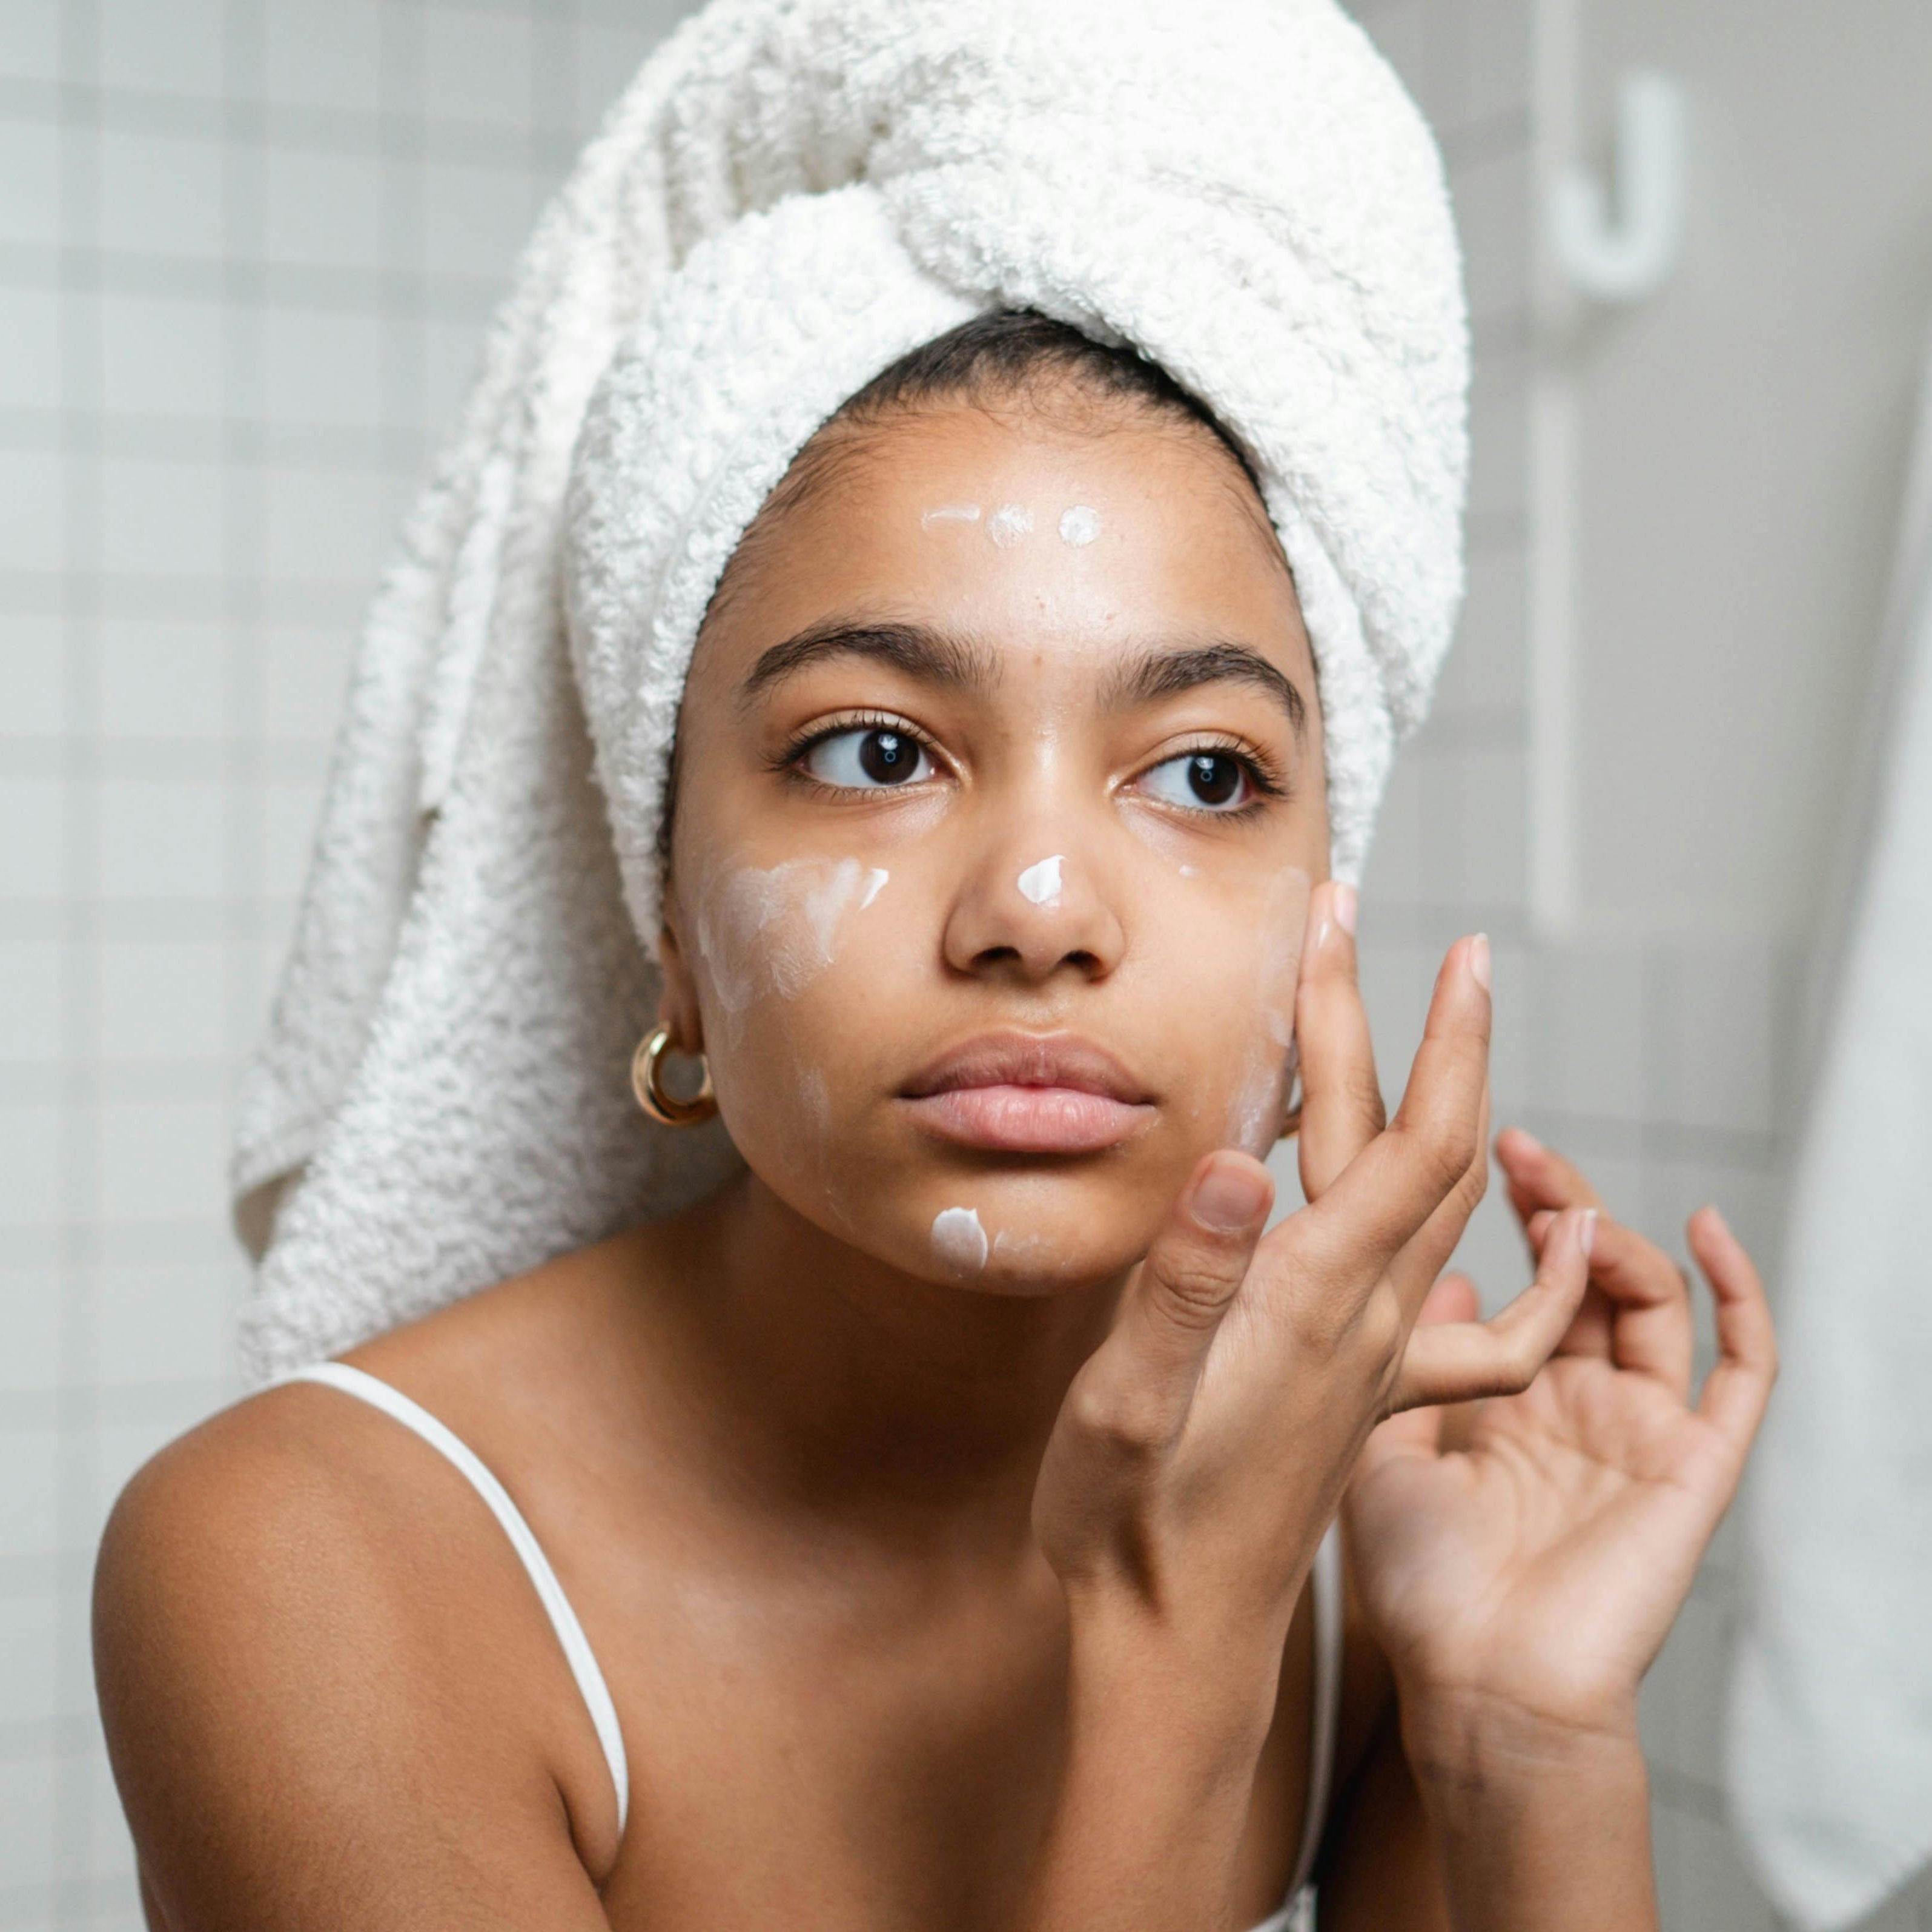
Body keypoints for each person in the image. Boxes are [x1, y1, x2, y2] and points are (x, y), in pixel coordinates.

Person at [93, 8, 1776, 1930]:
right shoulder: (314, 1567)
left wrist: (1523, 1735)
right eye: (876, 749)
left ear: (1330, 895)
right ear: (675, 932)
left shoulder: (1376, 1522)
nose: (1042, 906)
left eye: (1205, 773)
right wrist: (1172, 1643)